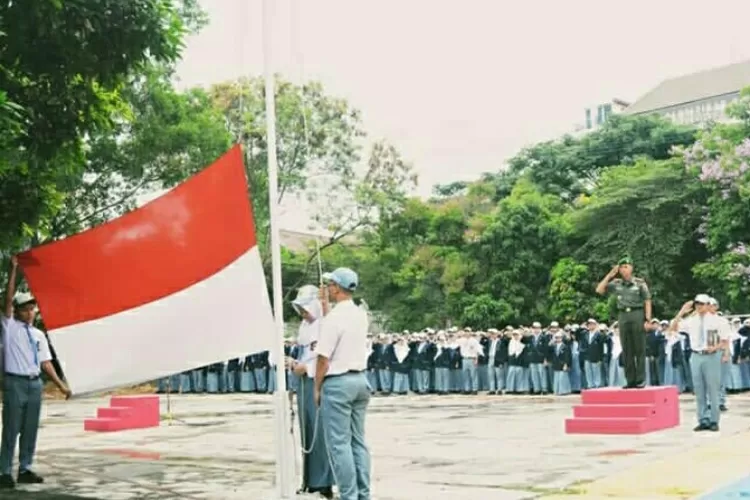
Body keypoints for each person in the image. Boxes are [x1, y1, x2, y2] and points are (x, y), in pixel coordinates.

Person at [1, 256, 71, 489]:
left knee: (30, 429)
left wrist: (61, 385)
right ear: (17, 312)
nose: (30, 313)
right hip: (15, 383)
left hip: (34, 384)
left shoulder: (39, 335)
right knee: (11, 428)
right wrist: (13, 271)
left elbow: (46, 363)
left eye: (32, 308)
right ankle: (3, 471)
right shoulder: (9, 328)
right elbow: (8, 299)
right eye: (25, 309)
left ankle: (25, 468)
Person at [314, 268, 371, 500]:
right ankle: (363, 494)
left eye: (330, 284)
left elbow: (323, 358)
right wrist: (326, 306)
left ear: (337, 287)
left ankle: (349, 495)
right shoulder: (360, 314)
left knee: (339, 445)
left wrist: (317, 387)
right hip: (360, 380)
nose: (327, 287)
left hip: (338, 383)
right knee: (358, 442)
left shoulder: (334, 319)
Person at [288, 288, 334, 499]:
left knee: (319, 430)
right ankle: (309, 480)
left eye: (304, 308)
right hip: (303, 381)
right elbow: (305, 353)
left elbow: (324, 357)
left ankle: (323, 481)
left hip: (317, 380)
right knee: (306, 429)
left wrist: (308, 369)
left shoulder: (324, 325)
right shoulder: (306, 327)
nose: (302, 313)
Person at [670, 294, 730, 432]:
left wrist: (716, 348)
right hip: (696, 355)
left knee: (713, 389)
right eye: (697, 303)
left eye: (702, 304)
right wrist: (681, 311)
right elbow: (673, 328)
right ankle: (702, 419)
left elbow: (725, 339)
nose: (699, 306)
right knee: (699, 389)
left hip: (712, 355)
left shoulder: (718, 321)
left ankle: (714, 420)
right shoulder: (691, 321)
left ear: (708, 305)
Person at [596, 256, 652, 388]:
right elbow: (599, 290)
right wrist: (610, 275)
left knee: (639, 348)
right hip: (623, 315)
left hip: (637, 314)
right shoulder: (616, 284)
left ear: (631, 268)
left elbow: (647, 301)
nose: (624, 270)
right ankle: (630, 380)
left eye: (626, 267)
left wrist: (648, 319)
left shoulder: (639, 283)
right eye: (621, 267)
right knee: (627, 349)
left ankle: (640, 379)